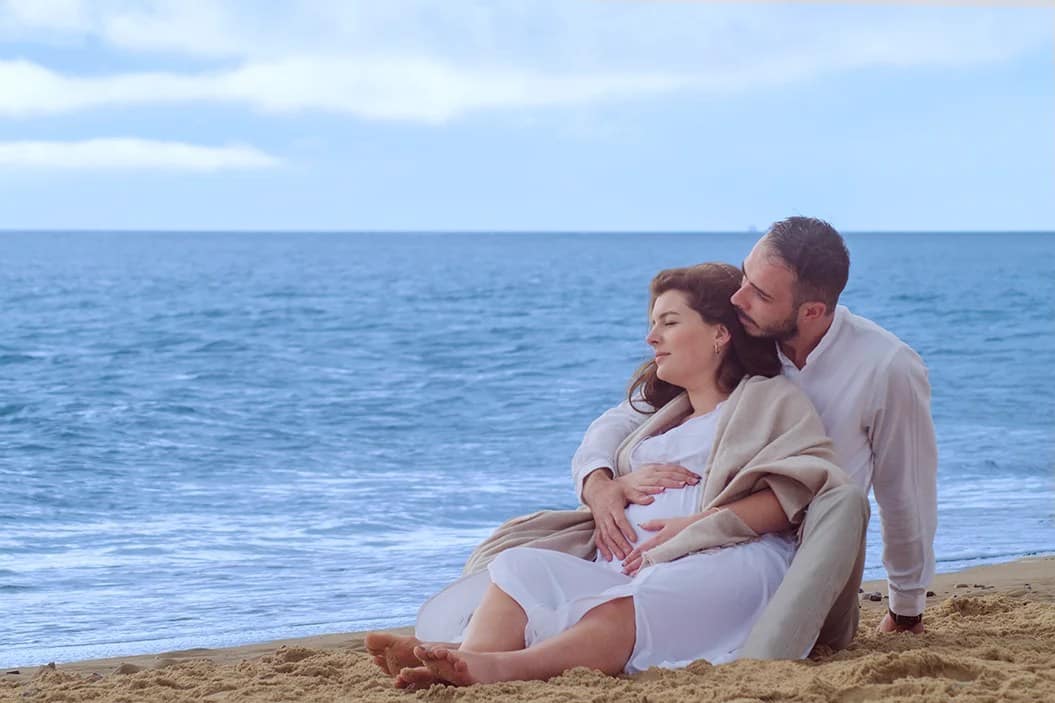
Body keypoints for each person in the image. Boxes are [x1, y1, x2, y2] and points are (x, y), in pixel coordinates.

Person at [367, 262, 855, 688]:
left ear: (719, 334)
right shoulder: (660, 416)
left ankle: (496, 667)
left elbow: (798, 489)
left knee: (630, 602)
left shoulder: (768, 399)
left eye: (669, 323)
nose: (651, 338)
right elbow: (600, 438)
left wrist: (696, 527)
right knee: (520, 568)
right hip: (628, 565)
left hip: (727, 561)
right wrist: (611, 486)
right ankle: (465, 658)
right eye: (652, 324)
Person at [575, 217, 938, 656]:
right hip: (709, 552)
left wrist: (905, 611)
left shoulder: (886, 367)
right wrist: (600, 483)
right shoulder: (745, 336)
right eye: (745, 275)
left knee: (841, 500)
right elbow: (624, 419)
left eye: (761, 293)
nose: (738, 297)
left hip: (808, 560)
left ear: (811, 312)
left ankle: (760, 663)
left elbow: (906, 492)